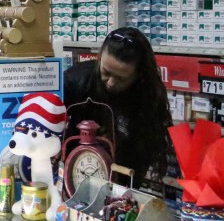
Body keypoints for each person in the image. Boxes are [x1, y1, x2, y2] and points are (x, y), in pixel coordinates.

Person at [62, 27, 171, 182]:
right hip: (73, 173)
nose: (111, 83)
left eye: (121, 78)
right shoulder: (74, 81)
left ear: (138, 74)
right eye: (106, 72)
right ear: (99, 58)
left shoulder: (147, 96)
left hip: (124, 173)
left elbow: (145, 153)